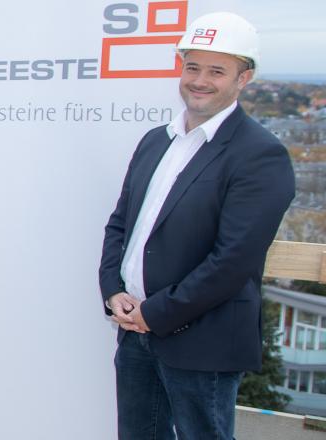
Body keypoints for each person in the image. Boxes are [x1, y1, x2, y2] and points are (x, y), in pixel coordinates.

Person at [98, 12, 294, 439]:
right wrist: (114, 290)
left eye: (217, 71)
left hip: (202, 342)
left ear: (244, 78)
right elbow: (121, 226)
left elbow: (233, 260)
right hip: (135, 335)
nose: (200, 80)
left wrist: (156, 312)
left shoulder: (260, 155)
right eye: (192, 67)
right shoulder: (157, 140)